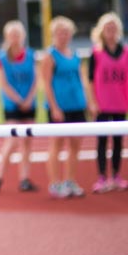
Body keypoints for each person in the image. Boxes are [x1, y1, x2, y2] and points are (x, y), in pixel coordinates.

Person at [41, 16, 94, 199]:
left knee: (75, 145)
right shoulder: (49, 56)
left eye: (67, 32)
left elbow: (82, 80)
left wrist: (89, 102)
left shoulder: (75, 55)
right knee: (56, 144)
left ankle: (70, 181)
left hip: (77, 106)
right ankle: (55, 184)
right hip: (60, 107)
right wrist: (54, 107)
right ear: (54, 34)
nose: (63, 35)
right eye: (60, 32)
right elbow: (46, 83)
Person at [0, 20, 39, 194]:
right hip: (12, 104)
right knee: (11, 141)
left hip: (29, 103)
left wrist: (29, 99)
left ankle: (24, 178)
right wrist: (18, 100)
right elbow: (3, 83)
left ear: (23, 36)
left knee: (27, 142)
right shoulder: (2, 58)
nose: (15, 38)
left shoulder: (31, 55)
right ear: (6, 37)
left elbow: (34, 80)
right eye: (12, 35)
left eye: (17, 34)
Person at [87, 12, 128, 193]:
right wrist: (92, 102)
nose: (111, 31)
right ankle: (101, 177)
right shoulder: (96, 53)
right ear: (101, 30)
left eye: (114, 28)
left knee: (118, 141)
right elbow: (90, 79)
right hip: (102, 103)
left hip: (120, 102)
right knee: (102, 141)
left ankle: (116, 175)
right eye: (108, 28)